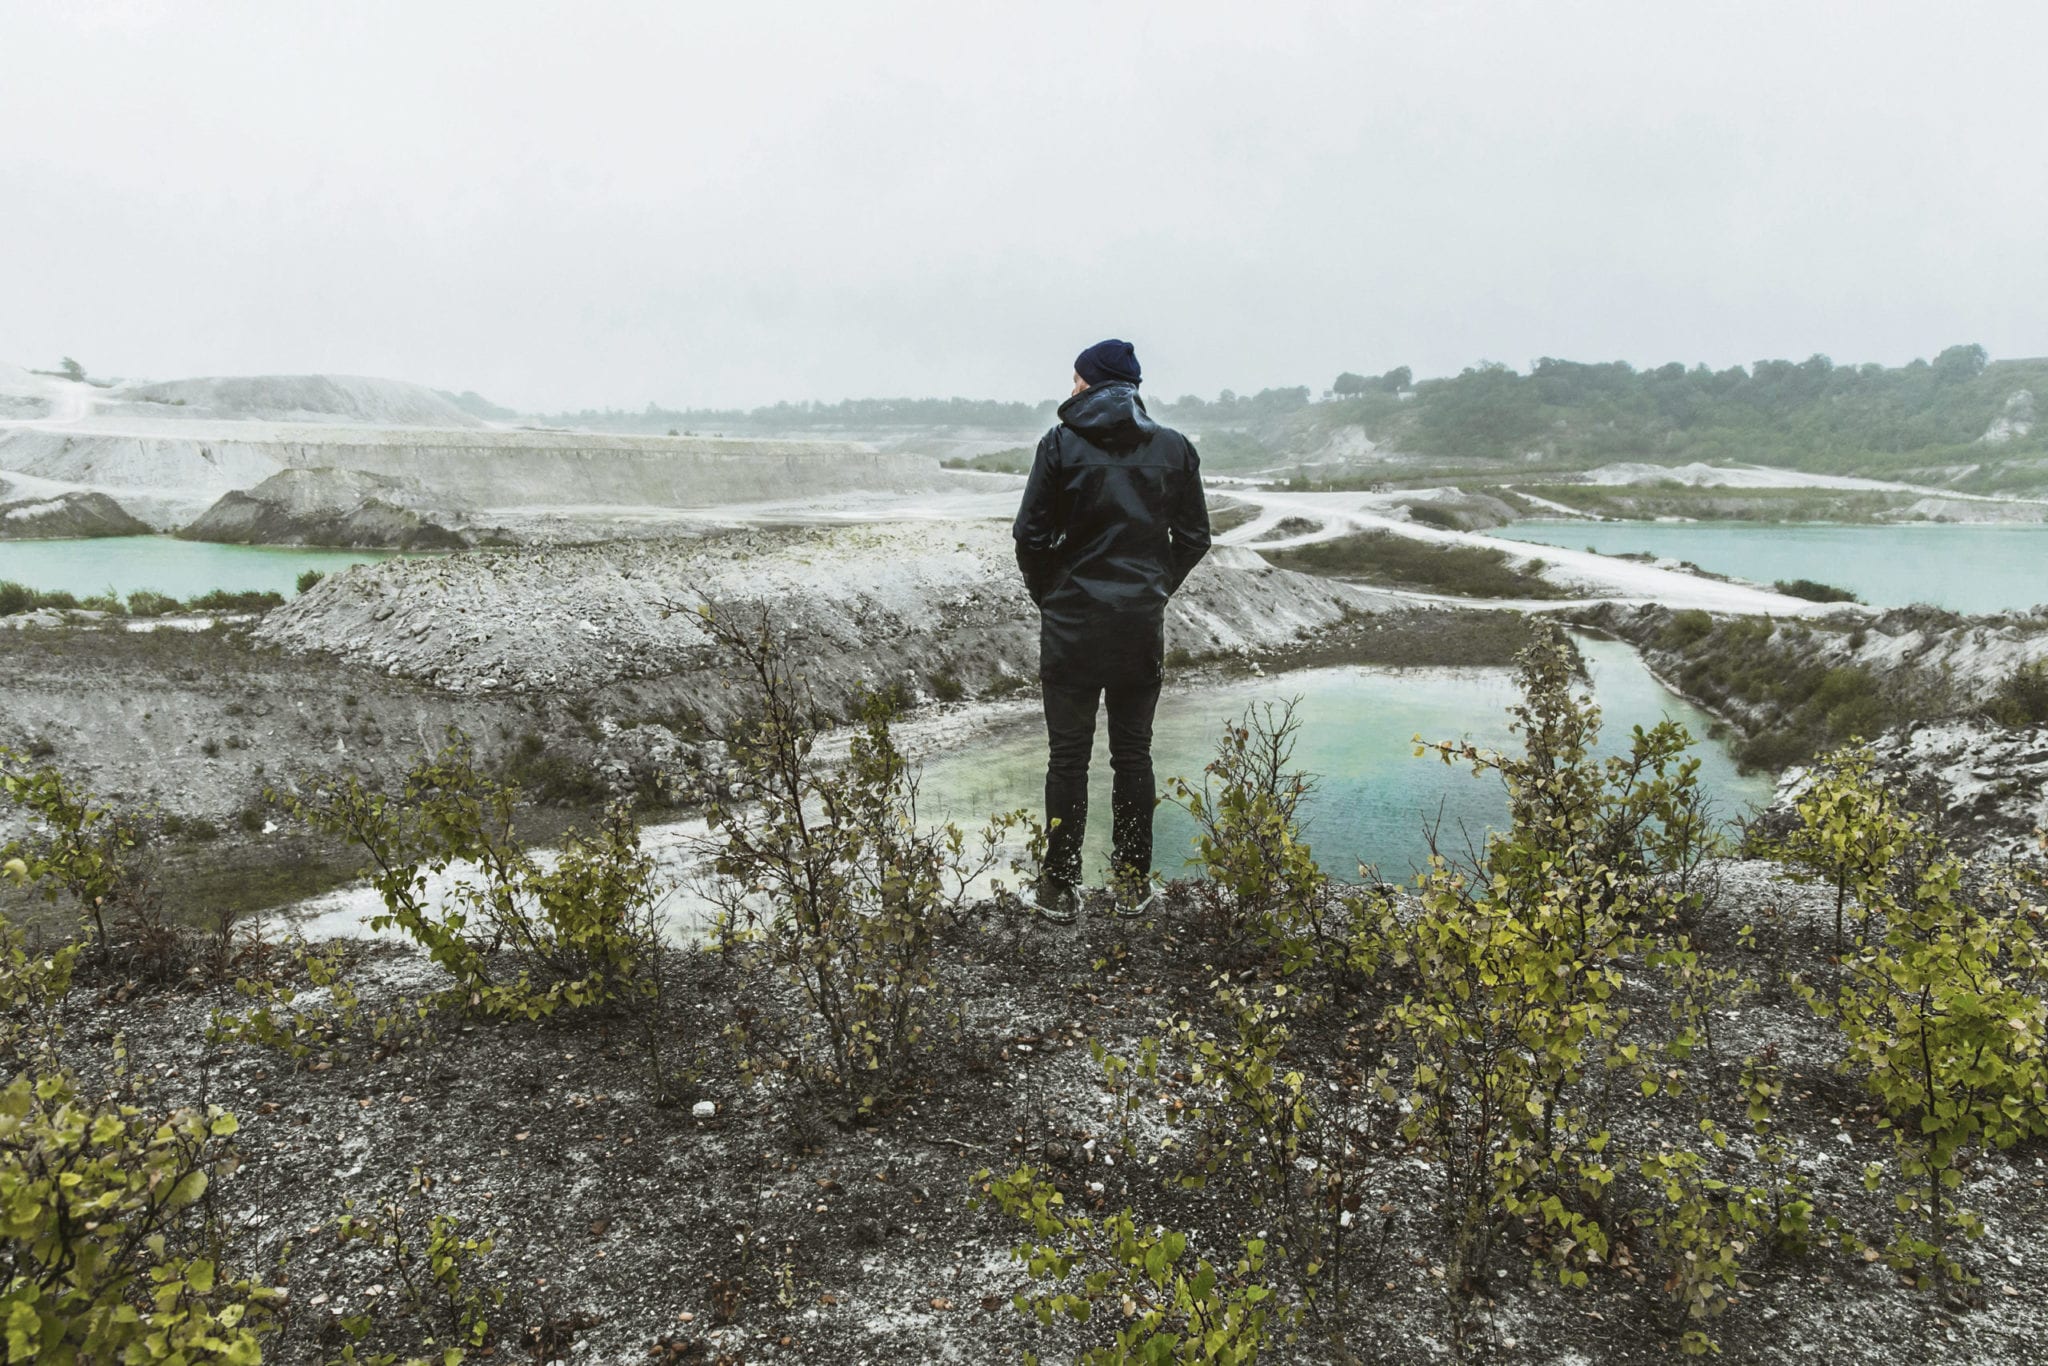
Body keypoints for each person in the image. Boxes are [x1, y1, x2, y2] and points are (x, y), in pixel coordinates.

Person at [1012, 338, 1211, 921]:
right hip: (1137, 629)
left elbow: (1029, 537)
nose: (1070, 387)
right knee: (1133, 756)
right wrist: (1151, 591)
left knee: (1067, 759)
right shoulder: (1174, 448)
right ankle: (1130, 885)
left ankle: (1059, 888)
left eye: (1076, 378)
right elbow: (1195, 539)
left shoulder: (1059, 444)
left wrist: (1052, 595)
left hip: (1072, 625)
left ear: (1093, 383)